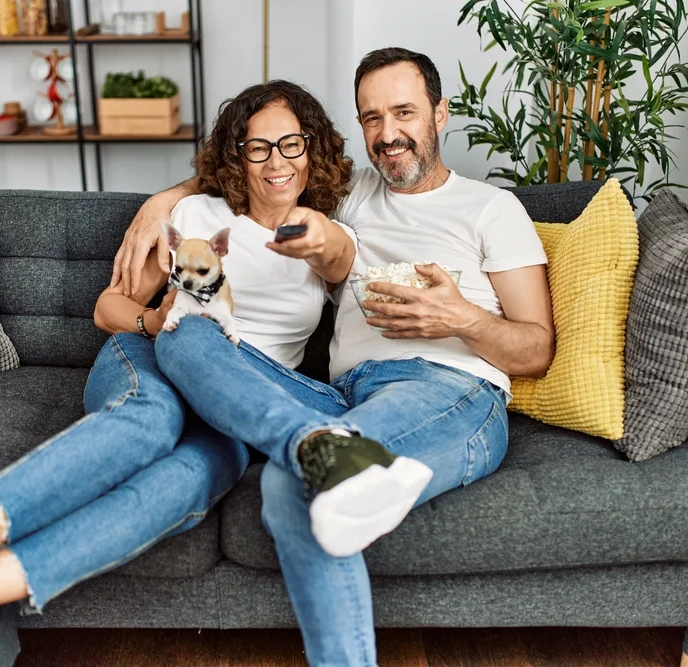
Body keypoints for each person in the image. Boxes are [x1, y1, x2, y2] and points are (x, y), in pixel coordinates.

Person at [0, 79, 358, 667]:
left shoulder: (326, 231)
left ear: (312, 148)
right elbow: (106, 310)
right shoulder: (195, 213)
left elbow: (338, 254)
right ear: (236, 155)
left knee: (190, 480)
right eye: (257, 147)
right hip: (156, 354)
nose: (276, 161)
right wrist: (158, 316)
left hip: (238, 399)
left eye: (292, 144)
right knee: (149, 423)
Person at [112, 47, 555, 666]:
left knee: (292, 481)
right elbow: (251, 163)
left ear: (441, 114)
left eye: (404, 112)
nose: (388, 133)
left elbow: (536, 349)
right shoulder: (347, 193)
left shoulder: (491, 209)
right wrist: (163, 201)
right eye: (371, 118)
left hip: (449, 389)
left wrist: (462, 318)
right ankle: (318, 444)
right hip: (339, 393)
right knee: (189, 331)